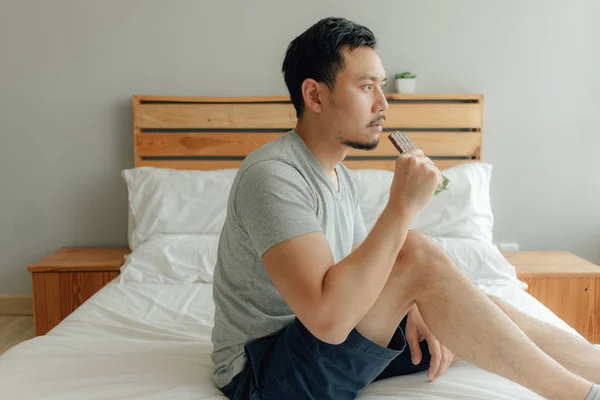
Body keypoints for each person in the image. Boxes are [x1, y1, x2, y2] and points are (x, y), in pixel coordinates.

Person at [210, 16, 600, 400]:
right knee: (411, 249)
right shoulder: (273, 175)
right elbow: (328, 320)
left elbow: (364, 276)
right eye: (366, 87)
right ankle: (580, 395)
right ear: (314, 96)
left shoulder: (337, 176)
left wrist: (412, 303)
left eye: (381, 86)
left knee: (484, 305)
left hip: (317, 347)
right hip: (263, 375)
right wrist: (402, 205)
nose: (383, 103)